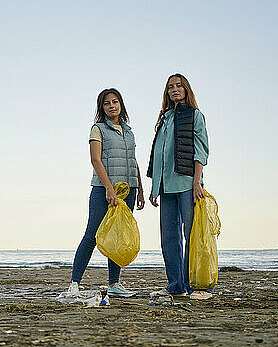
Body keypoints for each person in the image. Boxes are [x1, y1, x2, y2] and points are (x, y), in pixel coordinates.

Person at [67, 88, 145, 297]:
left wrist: (140, 190)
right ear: (102, 108)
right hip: (103, 190)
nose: (112, 105)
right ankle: (74, 283)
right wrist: (109, 188)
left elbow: (133, 160)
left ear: (121, 104)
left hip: (128, 189)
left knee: (118, 236)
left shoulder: (128, 131)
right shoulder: (98, 129)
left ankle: (114, 284)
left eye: (115, 101)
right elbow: (95, 159)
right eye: (107, 103)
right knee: (92, 235)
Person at [147, 73, 210, 299]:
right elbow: (159, 155)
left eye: (179, 86)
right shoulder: (164, 118)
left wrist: (197, 181)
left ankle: (196, 286)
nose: (175, 89)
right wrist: (155, 186)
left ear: (186, 89)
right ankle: (176, 285)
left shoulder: (195, 115)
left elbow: (201, 150)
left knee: (192, 234)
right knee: (169, 238)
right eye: (171, 86)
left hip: (186, 183)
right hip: (166, 186)